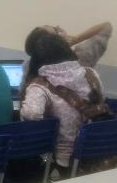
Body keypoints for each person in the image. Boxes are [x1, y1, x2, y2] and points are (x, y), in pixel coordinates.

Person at [20, 26, 108, 168]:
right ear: (67, 49)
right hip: (97, 150)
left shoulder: (39, 85)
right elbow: (101, 99)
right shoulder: (90, 74)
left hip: (65, 158)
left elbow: (32, 114)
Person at [29, 22, 112, 69]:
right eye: (56, 29)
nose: (59, 26)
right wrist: (75, 39)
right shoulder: (81, 60)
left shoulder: (33, 67)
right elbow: (106, 27)